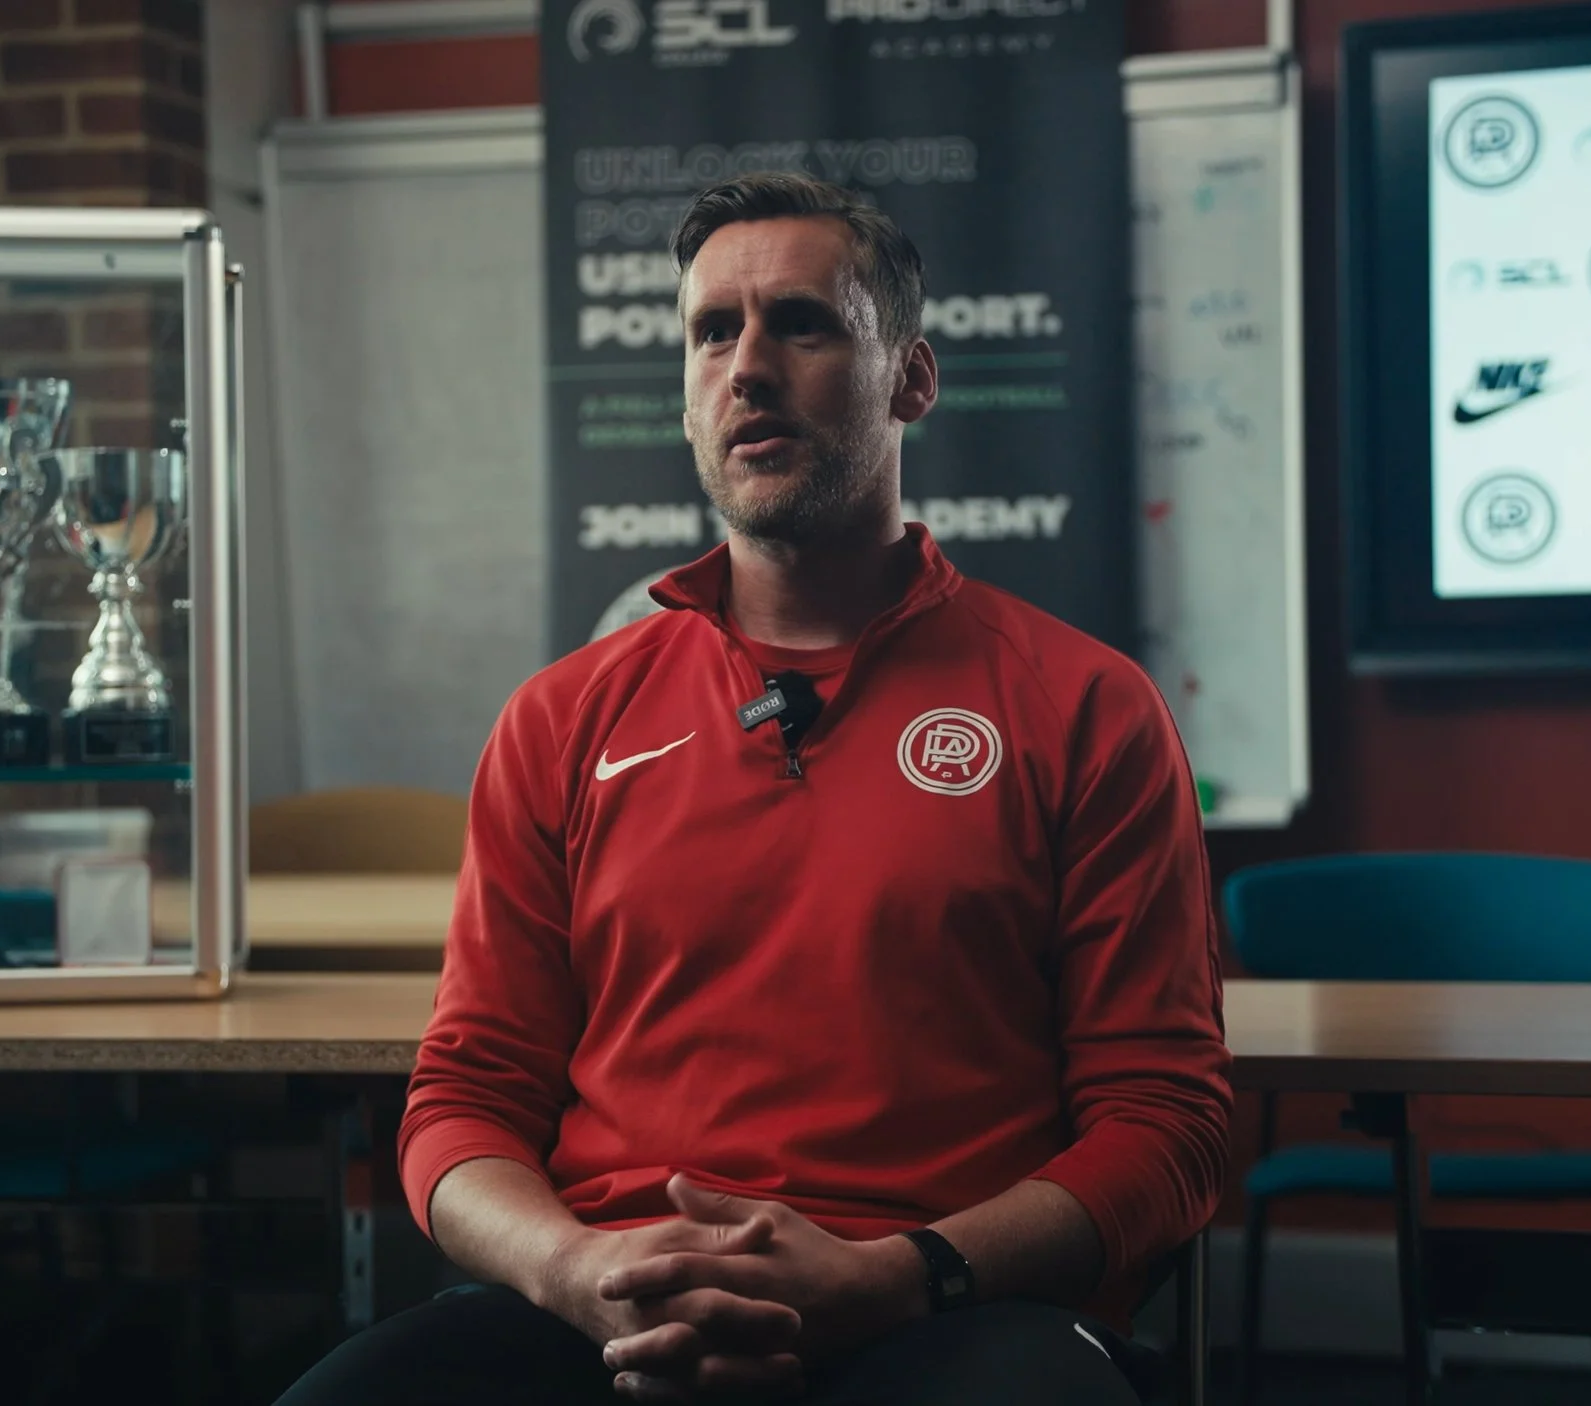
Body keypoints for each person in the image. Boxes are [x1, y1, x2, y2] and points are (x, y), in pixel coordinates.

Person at [276, 173, 1230, 1406]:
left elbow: (1169, 1125)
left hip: (945, 1303)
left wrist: (901, 1274)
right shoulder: (560, 717)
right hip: (606, 1300)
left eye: (804, 322)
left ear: (914, 380)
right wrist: (574, 1267)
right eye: (711, 331)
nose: (748, 364)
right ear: (684, 397)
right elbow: (463, 1099)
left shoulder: (1085, 705)